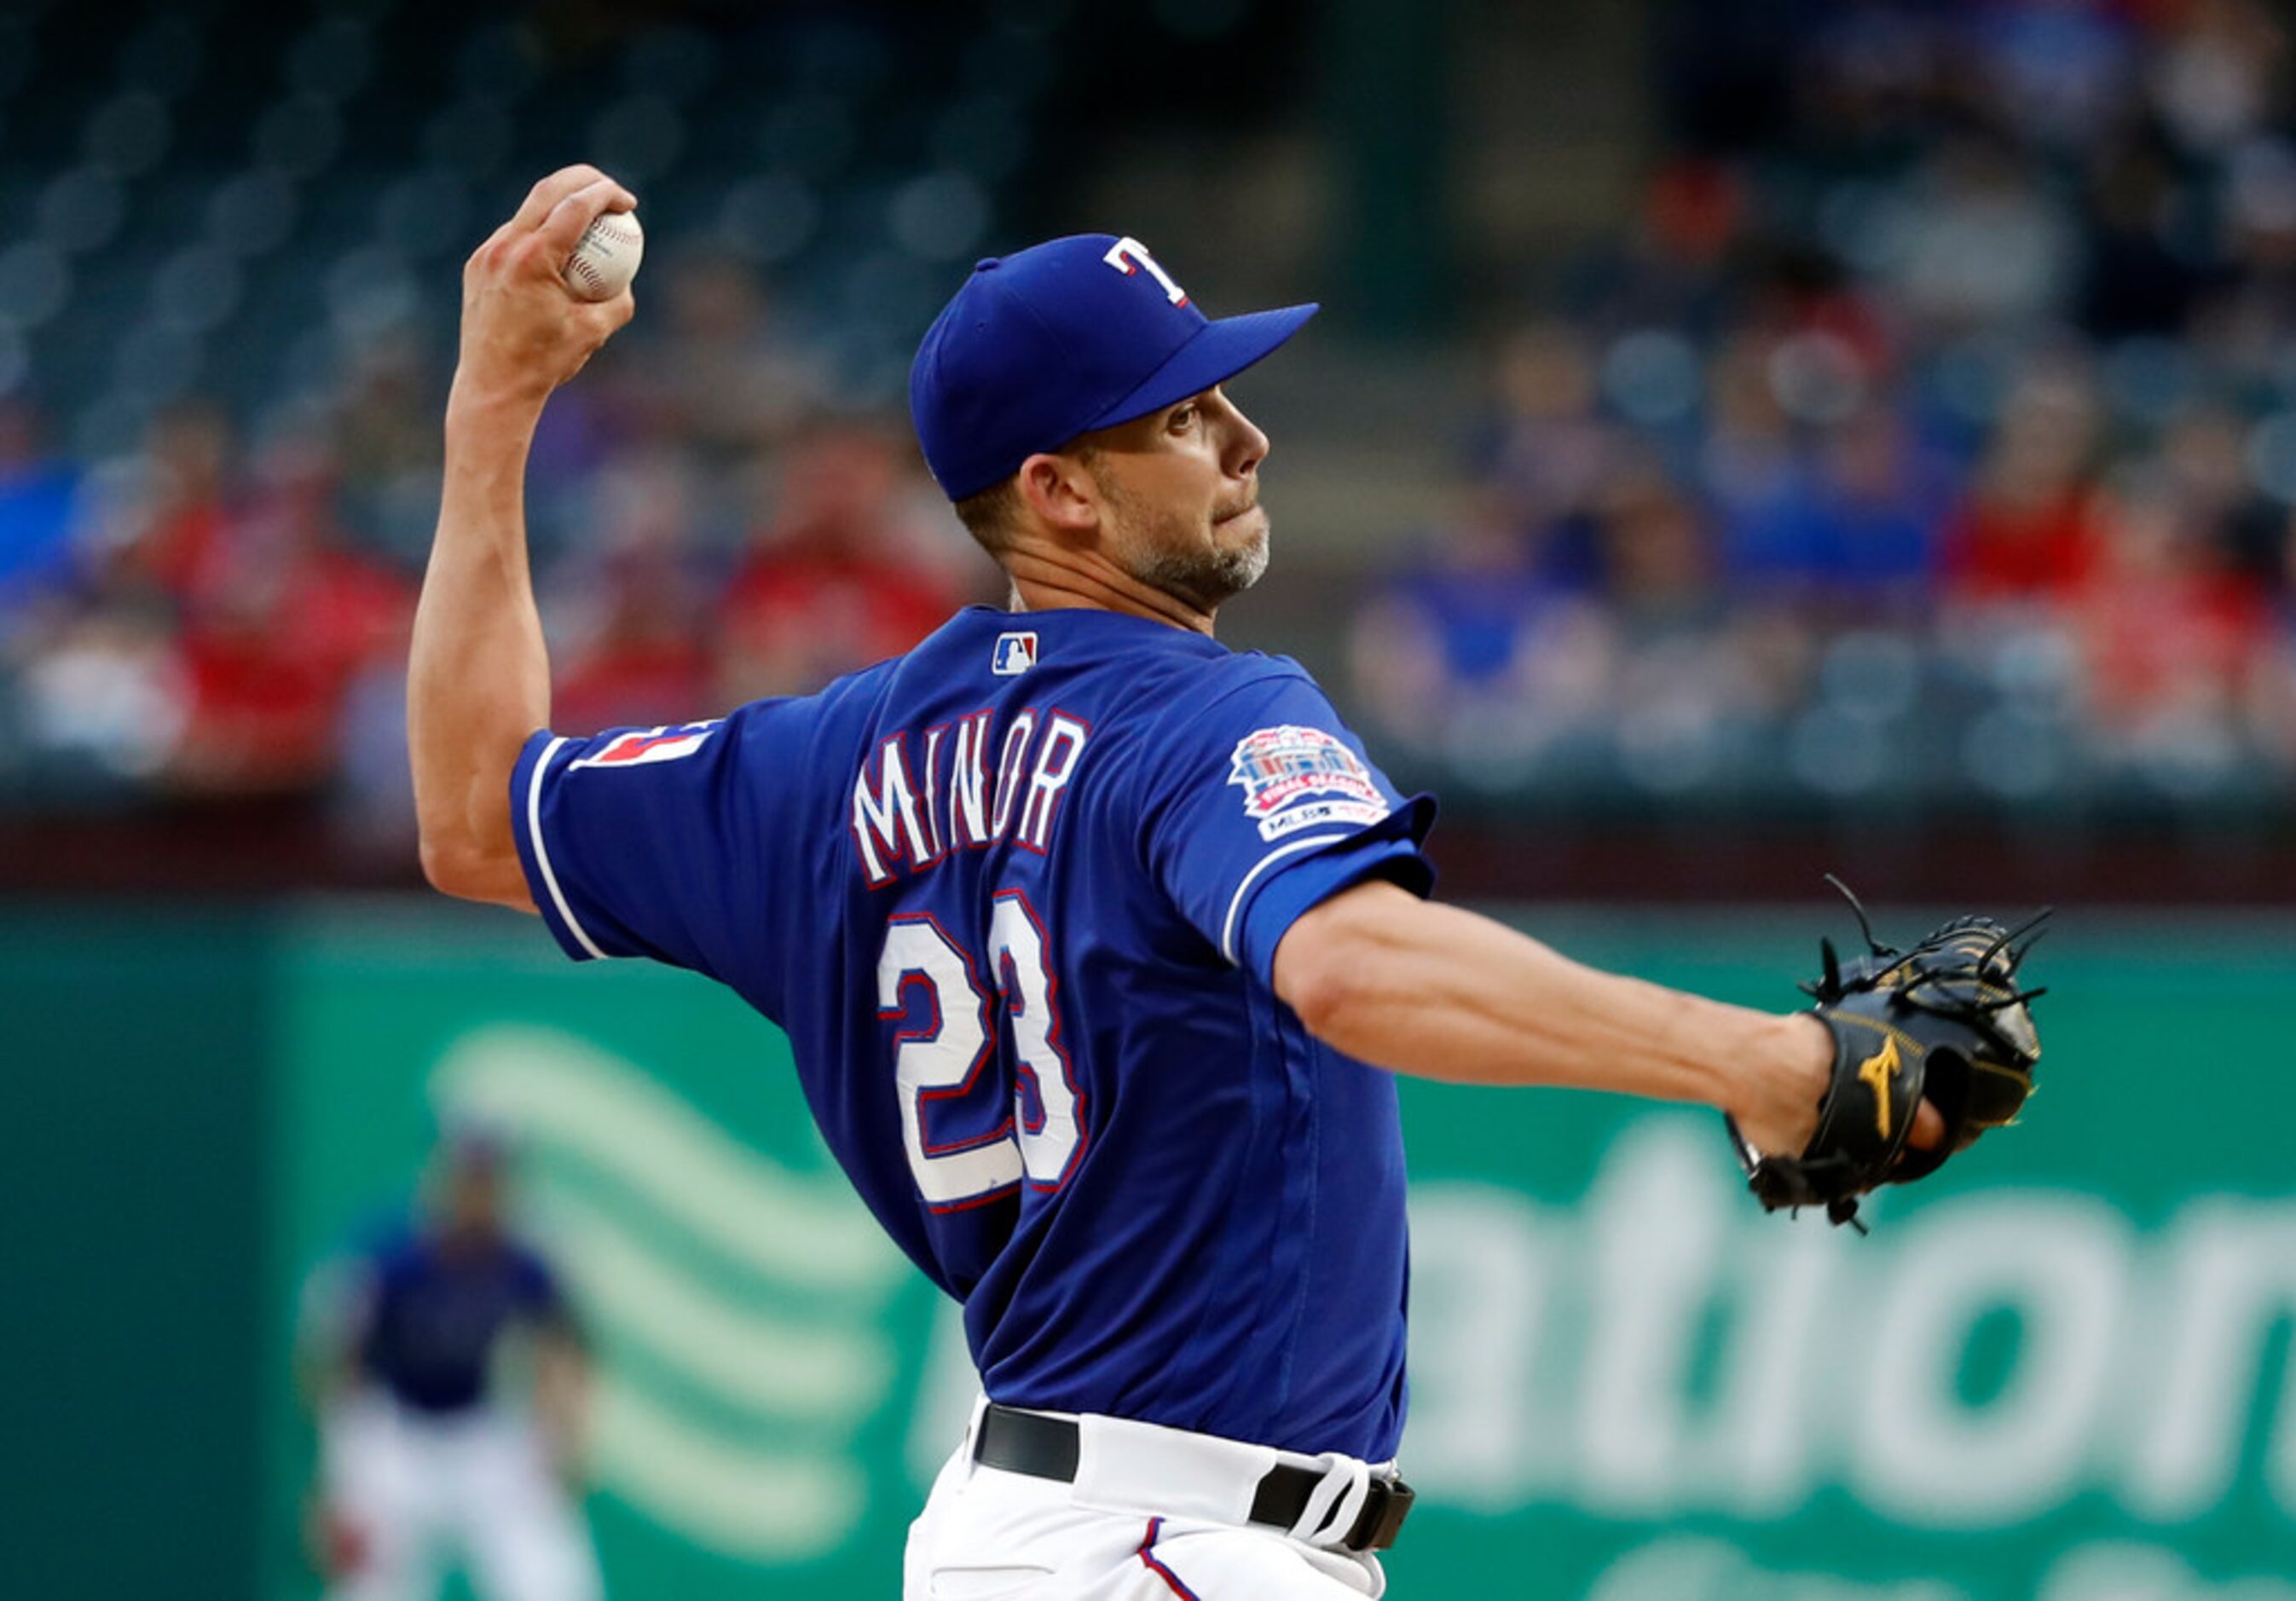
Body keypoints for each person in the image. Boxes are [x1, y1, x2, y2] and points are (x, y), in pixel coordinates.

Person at [411, 166, 1940, 1599]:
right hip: (1173, 1537)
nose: (1246, 437)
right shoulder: (1201, 713)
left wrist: (494, 407)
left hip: (1037, 1528)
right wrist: (1765, 1059)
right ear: (1062, 491)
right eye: (1185, 414)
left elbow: (477, 813)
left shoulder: (818, 768)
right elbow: (1352, 968)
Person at [297, 1130, 599, 1601]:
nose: (480, 1192)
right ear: (444, 1176)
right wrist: (339, 1477)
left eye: (491, 1176)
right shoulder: (389, 1250)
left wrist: (562, 1438)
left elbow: (565, 1349)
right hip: (395, 1438)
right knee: (369, 1588)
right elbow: (331, 1359)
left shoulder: (530, 1251)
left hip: (483, 1435)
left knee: (551, 1585)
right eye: (469, 1176)